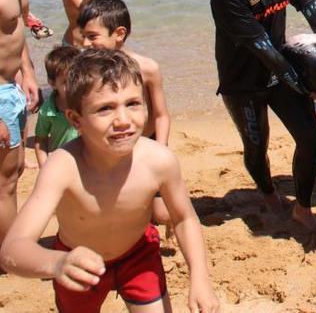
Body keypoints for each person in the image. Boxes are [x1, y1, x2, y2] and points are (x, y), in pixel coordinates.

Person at [0, 49, 219, 313]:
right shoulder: (63, 167)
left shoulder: (159, 160)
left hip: (139, 255)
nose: (123, 120)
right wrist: (57, 263)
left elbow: (185, 218)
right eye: (105, 109)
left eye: (133, 104)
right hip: (78, 263)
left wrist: (200, 277)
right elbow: (14, 248)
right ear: (76, 119)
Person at [211, 0, 316, 232]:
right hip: (243, 81)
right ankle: (268, 194)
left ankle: (303, 209)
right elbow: (263, 48)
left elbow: (313, 10)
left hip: (279, 67)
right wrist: (305, 86)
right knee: (256, 145)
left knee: (309, 135)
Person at [0, 0, 40, 247]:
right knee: (3, 181)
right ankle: (8, 256)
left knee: (11, 175)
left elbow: (15, 30)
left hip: (11, 88)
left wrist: (27, 72)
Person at [78, 0, 170, 146]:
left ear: (119, 34)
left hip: (145, 141)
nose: (85, 43)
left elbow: (161, 116)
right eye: (83, 36)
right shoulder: (88, 70)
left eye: (92, 36)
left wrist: (161, 148)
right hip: (107, 146)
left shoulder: (147, 68)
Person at [34, 46, 81, 167]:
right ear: (52, 83)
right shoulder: (48, 110)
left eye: (77, 79)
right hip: (61, 163)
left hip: (89, 163)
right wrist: (44, 167)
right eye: (66, 82)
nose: (73, 85)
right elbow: (41, 140)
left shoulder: (89, 104)